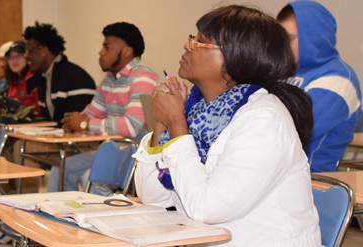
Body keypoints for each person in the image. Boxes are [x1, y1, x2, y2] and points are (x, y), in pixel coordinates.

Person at [134, 5, 320, 246]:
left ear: (237, 57)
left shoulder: (264, 119)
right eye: (193, 37)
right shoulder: (197, 110)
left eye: (200, 41)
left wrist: (178, 125)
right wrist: (162, 124)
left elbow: (206, 209)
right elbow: (152, 197)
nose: (187, 45)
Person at [50, 22, 160, 195]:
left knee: (91, 177)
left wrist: (85, 125)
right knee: (60, 168)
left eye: (107, 47)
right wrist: (74, 120)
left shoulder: (143, 78)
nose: (101, 52)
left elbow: (132, 126)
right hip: (113, 151)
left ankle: (94, 221)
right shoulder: (109, 80)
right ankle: (59, 217)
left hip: (138, 154)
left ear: (127, 52)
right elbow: (91, 113)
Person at [277, 1, 362, 172]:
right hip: (277, 175)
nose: (283, 46)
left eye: (290, 39)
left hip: (314, 182)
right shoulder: (284, 72)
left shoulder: (340, 79)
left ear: (314, 38)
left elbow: (292, 129)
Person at [23, 21, 96, 123]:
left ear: (44, 51)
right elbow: (51, 121)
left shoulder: (77, 78)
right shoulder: (42, 77)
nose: (26, 56)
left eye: (30, 50)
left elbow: (76, 124)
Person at [4, 40, 40, 118]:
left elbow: (39, 107)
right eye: (11, 57)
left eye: (19, 56)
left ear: (27, 57)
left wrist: (21, 106)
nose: (14, 60)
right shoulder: (13, 79)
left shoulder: (34, 77)